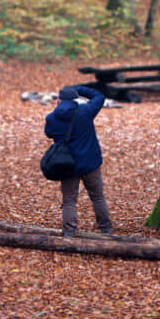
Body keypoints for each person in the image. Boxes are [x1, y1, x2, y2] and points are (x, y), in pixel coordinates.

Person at [45, 85, 113, 237]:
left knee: (69, 200)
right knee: (98, 197)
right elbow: (99, 96)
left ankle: (69, 232)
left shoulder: (51, 118)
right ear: (75, 99)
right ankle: (106, 228)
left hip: (67, 164)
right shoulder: (85, 111)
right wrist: (79, 89)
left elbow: (49, 133)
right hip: (90, 163)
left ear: (58, 101)